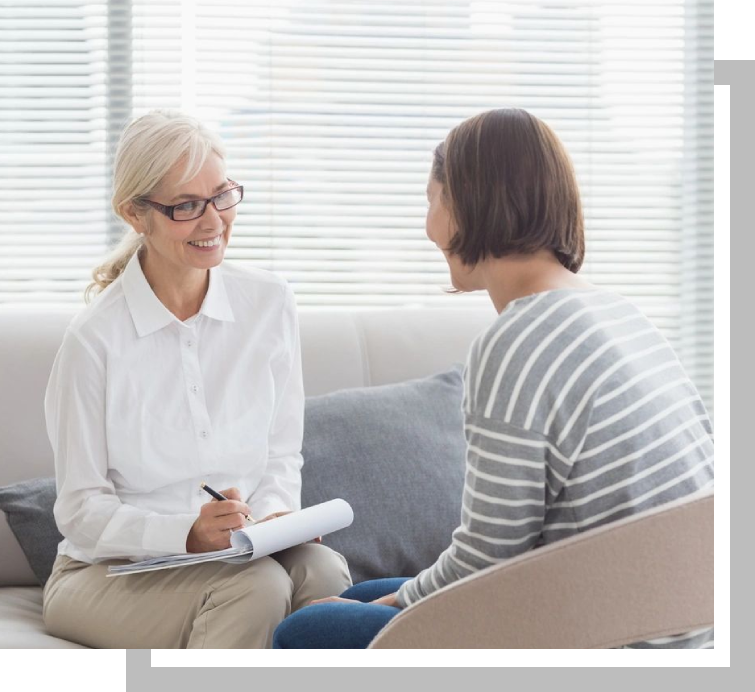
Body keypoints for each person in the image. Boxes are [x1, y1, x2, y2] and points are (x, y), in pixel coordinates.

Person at [272, 108, 714, 649]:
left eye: (431, 199)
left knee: (305, 630)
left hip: (602, 632)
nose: (428, 226)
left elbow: (488, 558)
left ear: (467, 204)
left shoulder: (518, 343)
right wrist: (390, 599)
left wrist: (395, 605)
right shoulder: (621, 313)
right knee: (364, 596)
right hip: (680, 622)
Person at [42, 110, 351, 649]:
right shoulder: (95, 339)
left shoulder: (270, 304)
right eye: (186, 206)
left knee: (321, 570)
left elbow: (282, 455)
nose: (213, 222)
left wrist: (277, 516)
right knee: (255, 589)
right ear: (135, 214)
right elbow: (80, 509)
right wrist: (186, 533)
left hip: (241, 553)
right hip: (105, 574)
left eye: (222, 195)